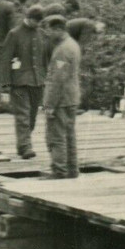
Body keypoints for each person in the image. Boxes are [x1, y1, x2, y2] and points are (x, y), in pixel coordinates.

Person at [0, 5, 47, 159]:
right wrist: (5, 85)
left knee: (32, 116)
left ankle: (22, 144)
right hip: (19, 83)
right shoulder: (14, 34)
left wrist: (47, 79)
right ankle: (26, 146)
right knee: (23, 115)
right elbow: (5, 59)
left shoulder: (41, 34)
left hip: (37, 82)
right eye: (36, 21)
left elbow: (44, 59)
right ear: (29, 18)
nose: (37, 24)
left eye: (40, 22)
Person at [42, 14, 81, 178]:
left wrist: (50, 104)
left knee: (56, 136)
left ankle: (59, 170)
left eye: (49, 30)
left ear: (58, 29)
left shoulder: (62, 50)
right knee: (69, 135)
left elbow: (57, 79)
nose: (47, 34)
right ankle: (72, 169)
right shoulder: (72, 45)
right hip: (71, 97)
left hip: (61, 100)